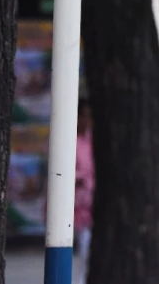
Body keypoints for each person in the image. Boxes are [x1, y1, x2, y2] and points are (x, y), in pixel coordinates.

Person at [75, 101, 95, 283]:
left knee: (86, 251)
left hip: (88, 205)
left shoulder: (90, 140)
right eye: (84, 116)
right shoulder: (67, 141)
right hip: (73, 204)